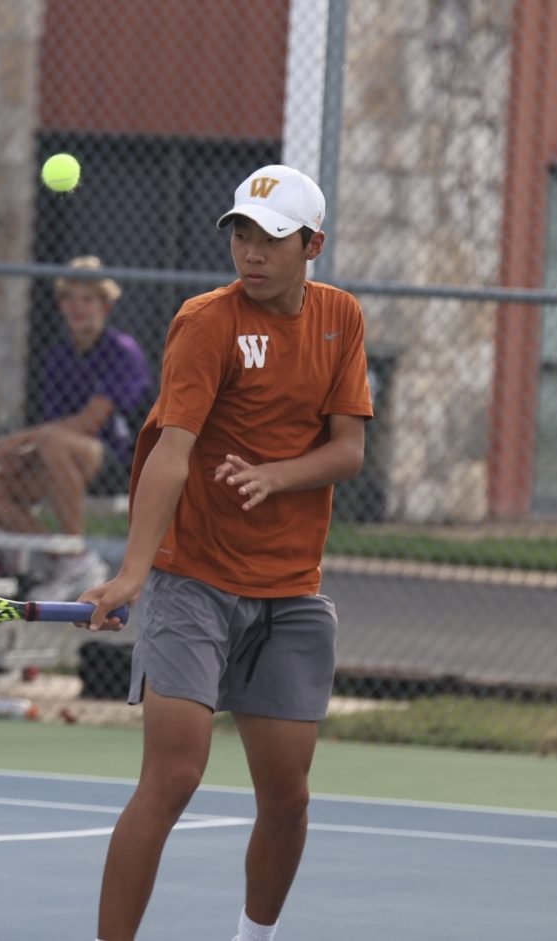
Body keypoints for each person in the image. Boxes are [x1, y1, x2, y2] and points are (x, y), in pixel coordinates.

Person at [77, 165, 374, 941]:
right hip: (193, 582)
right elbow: (171, 453)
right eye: (242, 233)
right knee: (173, 776)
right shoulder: (205, 322)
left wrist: (278, 477)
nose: (251, 251)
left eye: (271, 239)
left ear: (312, 244)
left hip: (290, 594)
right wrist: (135, 572)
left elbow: (348, 451)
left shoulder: (341, 318)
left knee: (288, 798)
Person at [0, 256, 151, 599]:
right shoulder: (58, 357)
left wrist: (17, 442)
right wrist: (21, 454)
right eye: (70, 299)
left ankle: (74, 559)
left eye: (88, 299)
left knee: (51, 443)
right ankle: (70, 559)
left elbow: (90, 423)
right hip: (63, 458)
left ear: (105, 305)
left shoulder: (122, 351)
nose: (78, 307)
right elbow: (53, 427)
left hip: (119, 461)